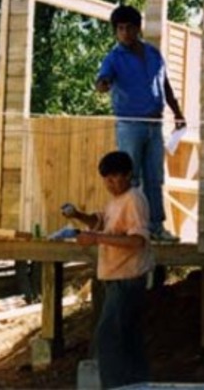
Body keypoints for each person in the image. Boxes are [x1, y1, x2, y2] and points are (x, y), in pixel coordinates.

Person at [62, 151, 154, 389]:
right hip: (117, 278)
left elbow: (137, 241)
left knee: (109, 338)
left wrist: (96, 239)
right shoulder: (116, 199)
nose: (111, 185)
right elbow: (100, 222)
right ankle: (137, 384)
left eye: (115, 179)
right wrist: (78, 215)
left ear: (128, 175)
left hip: (128, 279)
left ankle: (116, 386)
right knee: (128, 339)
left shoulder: (133, 199)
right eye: (107, 180)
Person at [96, 4, 185, 240]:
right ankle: (129, 227)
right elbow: (103, 80)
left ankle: (157, 227)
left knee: (155, 176)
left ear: (138, 29)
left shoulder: (154, 54)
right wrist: (102, 84)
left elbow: (165, 84)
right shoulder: (113, 58)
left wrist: (177, 111)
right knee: (129, 177)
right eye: (120, 28)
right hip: (130, 125)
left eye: (129, 28)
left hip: (155, 124)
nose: (124, 33)